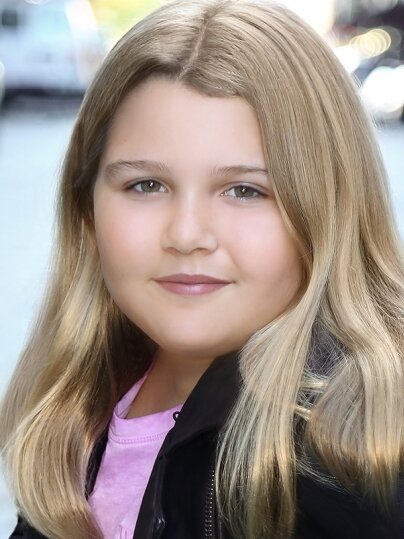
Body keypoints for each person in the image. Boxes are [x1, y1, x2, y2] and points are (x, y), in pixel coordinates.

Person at [1, 0, 403, 537]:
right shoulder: (77, 407)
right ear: (86, 209)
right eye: (146, 185)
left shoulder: (353, 460)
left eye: (245, 190)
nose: (188, 234)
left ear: (331, 206)